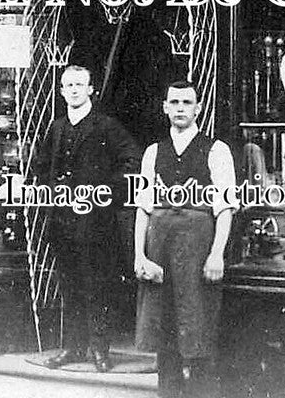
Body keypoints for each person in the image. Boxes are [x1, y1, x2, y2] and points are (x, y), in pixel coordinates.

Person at [31, 65, 141, 372]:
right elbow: (41, 166)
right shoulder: (57, 127)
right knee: (70, 285)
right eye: (69, 85)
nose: (75, 90)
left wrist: (104, 190)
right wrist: (50, 189)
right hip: (62, 222)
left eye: (80, 84)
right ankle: (74, 348)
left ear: (91, 89)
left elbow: (133, 160)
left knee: (97, 285)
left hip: (96, 222)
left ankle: (99, 349)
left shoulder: (106, 127)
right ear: (62, 91)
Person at [134, 80, 236, 398]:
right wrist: (140, 255)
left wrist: (217, 254)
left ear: (198, 108)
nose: (180, 108)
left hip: (197, 252)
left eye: (186, 103)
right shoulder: (153, 152)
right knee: (164, 334)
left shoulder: (216, 150)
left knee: (198, 330)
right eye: (174, 102)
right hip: (160, 249)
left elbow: (225, 208)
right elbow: (143, 208)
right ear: (165, 107)